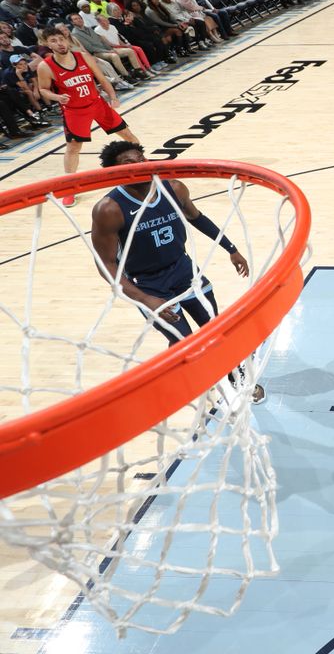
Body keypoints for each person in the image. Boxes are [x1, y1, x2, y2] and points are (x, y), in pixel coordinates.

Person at [90, 142, 261, 401]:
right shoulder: (109, 209)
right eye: (129, 163)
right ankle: (189, 379)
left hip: (184, 271)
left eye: (142, 158)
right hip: (148, 284)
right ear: (114, 172)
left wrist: (231, 248)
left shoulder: (174, 188)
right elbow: (106, 264)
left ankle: (235, 376)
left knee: (215, 329)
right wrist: (144, 298)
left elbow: (197, 217)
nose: (141, 164)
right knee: (183, 341)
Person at [37, 26, 141, 206]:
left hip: (97, 104)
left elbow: (100, 77)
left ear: (66, 38)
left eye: (61, 39)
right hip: (75, 111)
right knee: (73, 147)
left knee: (127, 134)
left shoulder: (82, 57)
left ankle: (143, 164)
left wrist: (113, 96)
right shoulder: (45, 66)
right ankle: (69, 188)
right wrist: (57, 97)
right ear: (46, 44)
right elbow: (43, 89)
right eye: (53, 41)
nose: (59, 43)